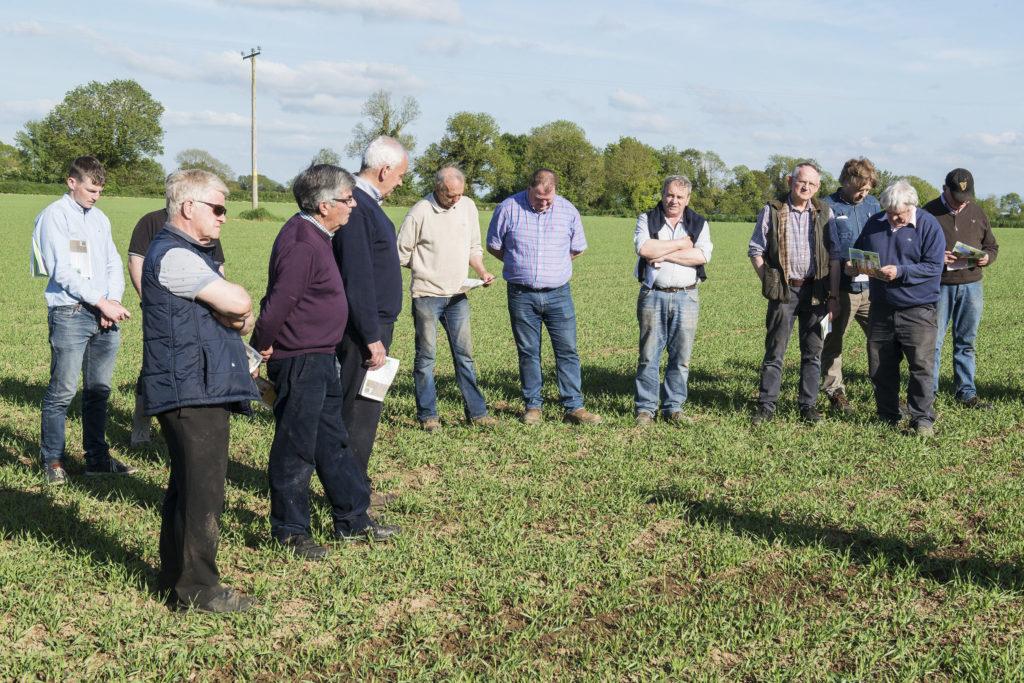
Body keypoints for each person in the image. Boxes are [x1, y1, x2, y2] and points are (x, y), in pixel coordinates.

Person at [250, 164, 399, 557]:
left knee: (332, 442)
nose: (352, 206)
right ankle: (290, 531)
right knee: (295, 447)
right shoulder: (302, 242)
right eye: (346, 199)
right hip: (300, 360)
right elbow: (280, 302)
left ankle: (353, 520)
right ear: (322, 205)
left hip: (319, 357)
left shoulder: (318, 235)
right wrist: (260, 346)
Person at [141, 169, 259, 612]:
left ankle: (172, 577)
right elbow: (240, 305)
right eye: (218, 206)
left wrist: (234, 311)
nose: (224, 217)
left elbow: (238, 317)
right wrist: (235, 306)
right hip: (190, 388)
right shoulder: (176, 256)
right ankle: (199, 590)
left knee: (187, 486)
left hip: (196, 383)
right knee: (204, 492)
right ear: (188, 207)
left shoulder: (192, 253)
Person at [31, 155, 133, 485]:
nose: (95, 196)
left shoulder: (100, 218)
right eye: (90, 189)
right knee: (62, 391)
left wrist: (112, 301)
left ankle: (97, 459)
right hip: (70, 314)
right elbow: (62, 270)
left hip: (103, 313)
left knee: (99, 391)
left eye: (100, 191)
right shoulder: (54, 217)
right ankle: (53, 460)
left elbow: (113, 263)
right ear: (71, 182)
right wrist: (101, 302)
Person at [486, 168, 601, 425]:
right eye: (539, 198)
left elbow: (577, 248)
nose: (544, 203)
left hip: (559, 294)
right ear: (529, 188)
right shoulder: (508, 208)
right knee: (528, 351)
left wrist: (555, 264)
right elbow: (494, 245)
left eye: (548, 199)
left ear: (555, 191)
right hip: (521, 294)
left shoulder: (568, 210)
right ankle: (533, 406)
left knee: (567, 350)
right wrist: (518, 263)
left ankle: (574, 406)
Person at [332, 136, 407, 505]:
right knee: (360, 409)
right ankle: (351, 492)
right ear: (384, 169)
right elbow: (357, 276)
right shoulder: (358, 205)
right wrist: (371, 334)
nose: (401, 182)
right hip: (366, 329)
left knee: (365, 406)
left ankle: (354, 483)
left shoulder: (360, 202)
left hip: (372, 325)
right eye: (400, 175)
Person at [396, 166, 497, 431]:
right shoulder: (420, 211)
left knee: (465, 356)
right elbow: (401, 252)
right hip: (427, 295)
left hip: (458, 295)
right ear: (438, 189)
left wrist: (482, 271)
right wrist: (426, 267)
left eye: (460, 194)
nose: (456, 199)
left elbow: (473, 247)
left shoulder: (468, 207)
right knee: (426, 358)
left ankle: (477, 413)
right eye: (451, 195)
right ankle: (428, 416)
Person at [849, 179, 945, 436]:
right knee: (880, 365)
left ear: (912, 206)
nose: (893, 220)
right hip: (881, 307)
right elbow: (858, 252)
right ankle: (887, 414)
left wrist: (900, 271)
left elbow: (934, 267)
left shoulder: (929, 225)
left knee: (921, 366)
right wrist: (854, 265)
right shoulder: (876, 222)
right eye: (890, 214)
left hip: (918, 309)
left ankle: (922, 419)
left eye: (899, 215)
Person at [126, 207, 227, 445]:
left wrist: (219, 304)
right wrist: (150, 300)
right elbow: (135, 261)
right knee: (154, 367)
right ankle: (141, 431)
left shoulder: (206, 224)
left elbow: (218, 268)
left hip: (200, 312)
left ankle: (180, 429)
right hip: (163, 311)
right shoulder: (151, 221)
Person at [748, 163, 837, 425]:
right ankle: (766, 405)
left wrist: (832, 295)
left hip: (816, 292)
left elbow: (834, 255)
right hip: (784, 292)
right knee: (775, 351)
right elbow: (756, 250)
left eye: (812, 184)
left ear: (818, 187)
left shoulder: (824, 212)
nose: (806, 187)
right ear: (790, 181)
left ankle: (808, 406)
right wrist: (769, 282)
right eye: (802, 181)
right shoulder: (772, 211)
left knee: (813, 353)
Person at [633, 175, 713, 425]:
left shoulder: (699, 223)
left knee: (681, 357)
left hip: (687, 296)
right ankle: (646, 409)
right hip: (653, 294)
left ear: (688, 199)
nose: (673, 200)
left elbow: (701, 256)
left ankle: (673, 407)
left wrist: (664, 254)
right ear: (662, 194)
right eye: (669, 194)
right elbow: (644, 250)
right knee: (649, 355)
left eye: (679, 196)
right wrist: (679, 245)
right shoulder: (647, 218)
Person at [923, 168, 999, 409]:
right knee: (933, 342)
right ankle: (929, 394)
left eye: (965, 198)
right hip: (940, 286)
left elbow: (992, 246)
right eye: (956, 198)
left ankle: (966, 392)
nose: (961, 203)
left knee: (966, 341)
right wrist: (937, 258)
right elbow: (915, 250)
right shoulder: (928, 212)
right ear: (944, 189)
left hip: (971, 285)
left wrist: (987, 257)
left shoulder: (977, 212)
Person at [820, 158, 881, 413]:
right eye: (859, 189)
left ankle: (884, 390)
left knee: (881, 340)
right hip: (841, 287)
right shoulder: (826, 206)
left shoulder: (873, 205)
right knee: (833, 341)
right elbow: (822, 248)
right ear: (846, 181)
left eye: (867, 190)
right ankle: (835, 392)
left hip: (872, 288)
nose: (863, 194)